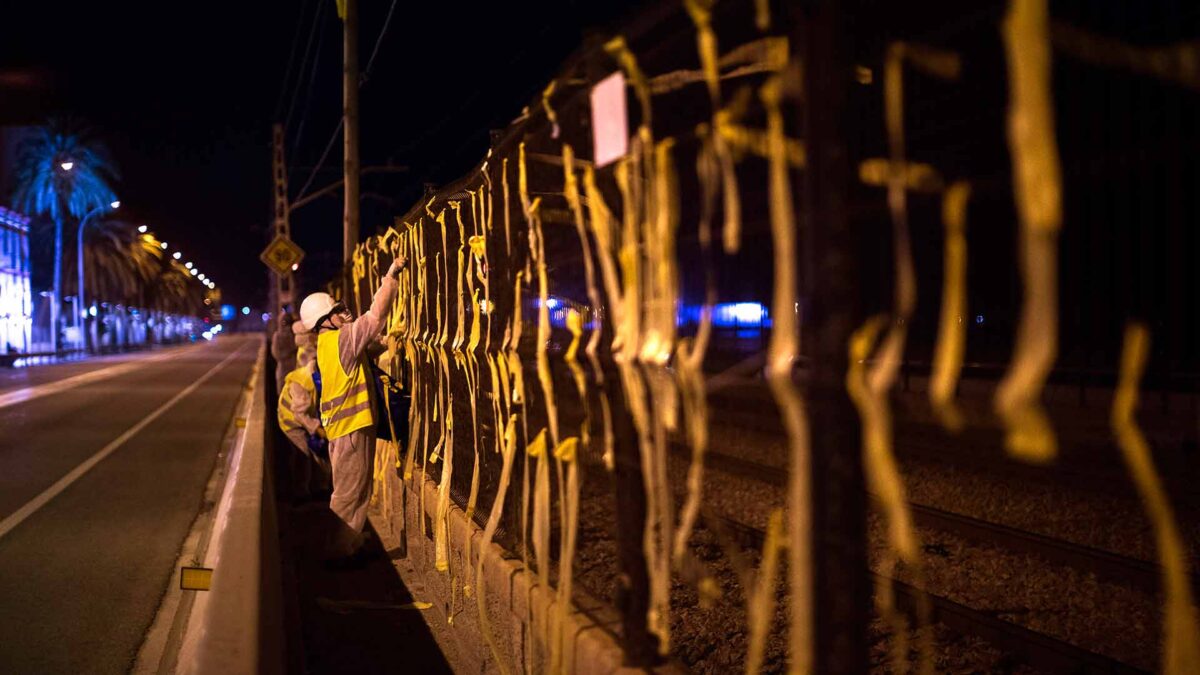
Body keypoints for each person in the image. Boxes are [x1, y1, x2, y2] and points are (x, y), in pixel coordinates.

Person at [299, 255, 405, 567]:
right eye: (335, 312)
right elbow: (374, 317)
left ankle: (352, 543)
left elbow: (361, 351)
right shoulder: (342, 338)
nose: (342, 314)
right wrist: (391, 276)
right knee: (349, 494)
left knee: (354, 490)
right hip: (351, 430)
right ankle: (339, 554)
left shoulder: (328, 342)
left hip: (346, 429)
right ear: (325, 321)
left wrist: (383, 344)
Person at [276, 339, 330, 501]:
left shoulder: (318, 376)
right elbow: (300, 414)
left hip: (307, 417)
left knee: (319, 452)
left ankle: (320, 487)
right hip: (290, 421)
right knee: (303, 454)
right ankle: (300, 494)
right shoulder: (303, 381)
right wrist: (318, 429)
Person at [271, 311, 297, 393]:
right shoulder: (295, 334)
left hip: (283, 370)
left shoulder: (277, 335)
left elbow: (276, 354)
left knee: (284, 395)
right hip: (295, 368)